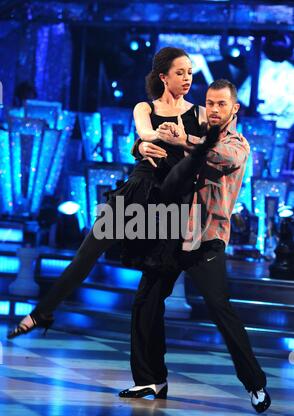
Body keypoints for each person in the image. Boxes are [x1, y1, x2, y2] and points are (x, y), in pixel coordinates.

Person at [7, 46, 213, 338]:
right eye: (180, 72)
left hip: (172, 200)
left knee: (163, 273)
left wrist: (183, 141)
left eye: (190, 72)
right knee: (86, 255)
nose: (187, 78)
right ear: (164, 77)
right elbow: (145, 132)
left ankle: (151, 362)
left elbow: (211, 153)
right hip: (138, 190)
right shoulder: (146, 107)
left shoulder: (201, 114)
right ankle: (42, 312)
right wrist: (146, 143)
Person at [119, 79, 271, 414]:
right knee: (146, 300)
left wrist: (183, 140)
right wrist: (140, 147)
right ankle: (151, 378)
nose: (214, 110)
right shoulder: (191, 131)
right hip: (172, 232)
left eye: (221, 105)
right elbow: (153, 145)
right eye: (210, 103)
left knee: (219, 308)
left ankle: (255, 383)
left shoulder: (237, 144)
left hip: (206, 238)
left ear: (234, 109)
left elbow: (215, 157)